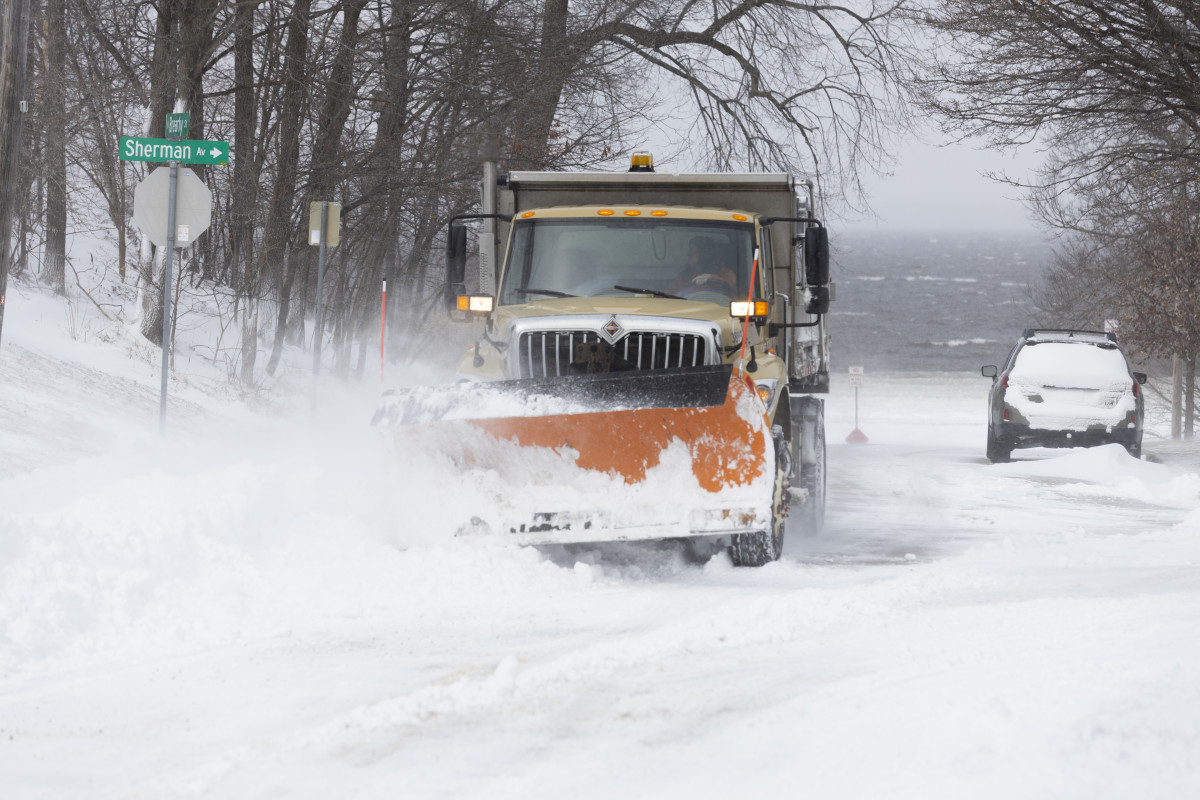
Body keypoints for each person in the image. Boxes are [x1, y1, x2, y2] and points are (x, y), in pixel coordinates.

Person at [668, 236, 738, 295]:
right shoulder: (685, 275)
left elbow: (735, 294)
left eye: (692, 251)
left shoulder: (725, 274)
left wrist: (712, 277)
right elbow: (669, 296)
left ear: (703, 254)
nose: (688, 254)